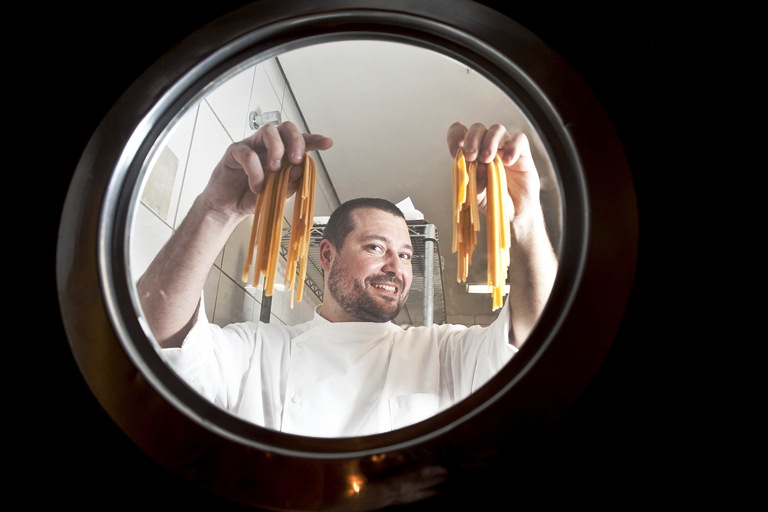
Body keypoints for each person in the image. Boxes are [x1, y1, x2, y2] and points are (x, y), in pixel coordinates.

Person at [136, 120, 558, 438]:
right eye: (376, 247)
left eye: (406, 255)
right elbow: (157, 340)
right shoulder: (258, 353)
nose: (396, 266)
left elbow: (540, 335)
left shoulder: (443, 353)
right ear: (327, 253)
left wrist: (524, 218)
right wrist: (216, 209)